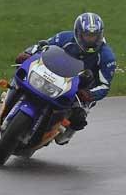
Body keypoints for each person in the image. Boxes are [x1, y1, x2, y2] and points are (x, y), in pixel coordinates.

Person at [14, 12, 116, 145]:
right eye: (87, 35)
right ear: (78, 33)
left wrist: (88, 94)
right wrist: (27, 53)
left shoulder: (107, 56)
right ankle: (12, 96)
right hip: (54, 75)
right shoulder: (64, 37)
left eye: (94, 36)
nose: (91, 40)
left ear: (100, 35)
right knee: (23, 76)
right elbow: (43, 46)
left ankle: (67, 132)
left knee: (79, 117)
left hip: (81, 89)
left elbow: (104, 86)